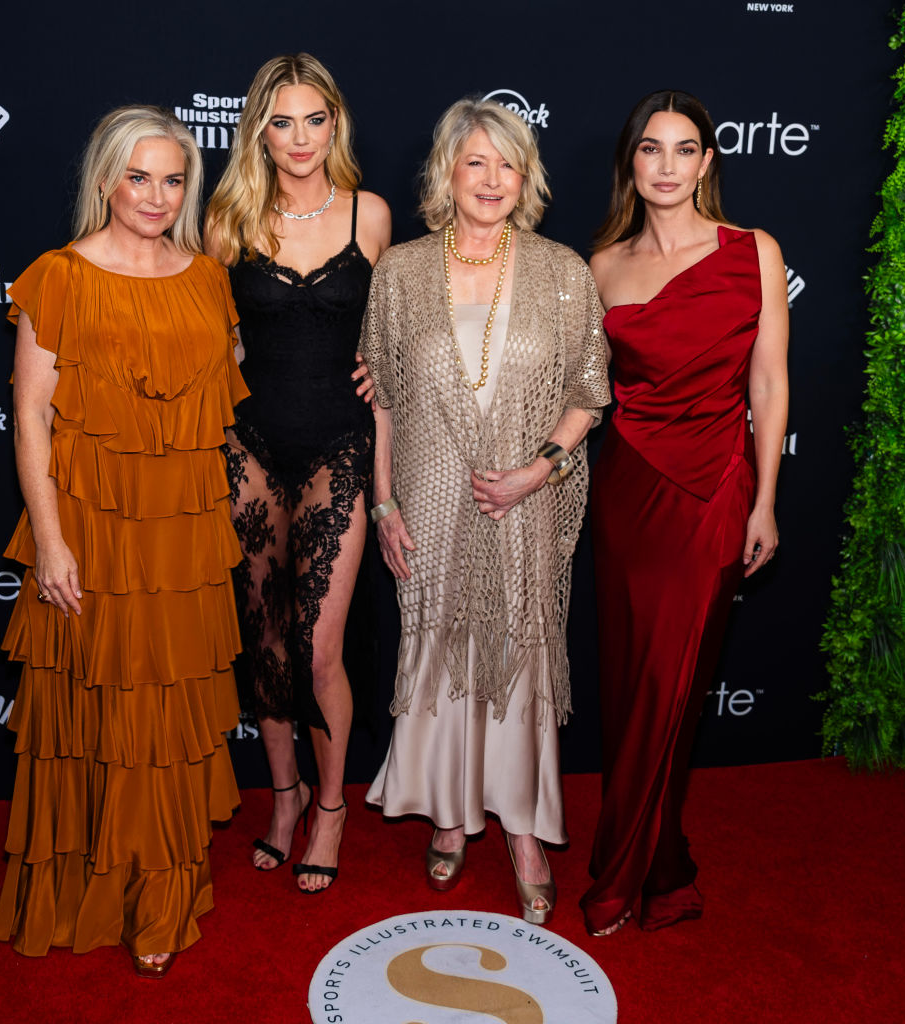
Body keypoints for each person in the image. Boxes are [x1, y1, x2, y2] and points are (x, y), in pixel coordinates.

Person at [0, 106, 249, 977]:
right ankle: (91, 885)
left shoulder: (207, 278)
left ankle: (161, 897)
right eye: (138, 177)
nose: (155, 195)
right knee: (97, 712)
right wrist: (52, 543)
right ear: (104, 180)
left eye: (173, 179)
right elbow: (29, 414)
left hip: (180, 534)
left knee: (166, 719)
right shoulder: (59, 275)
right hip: (91, 525)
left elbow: (219, 403)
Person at [360, 98, 610, 924]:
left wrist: (537, 471)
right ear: (447, 173)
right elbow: (384, 400)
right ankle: (450, 814)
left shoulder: (563, 270)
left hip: (524, 505)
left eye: (508, 164)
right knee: (435, 647)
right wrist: (385, 498)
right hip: (427, 499)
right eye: (476, 162)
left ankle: (525, 829)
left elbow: (588, 393)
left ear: (526, 176)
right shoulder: (398, 271)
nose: (493, 179)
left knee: (520, 649)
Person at [580, 90, 788, 936]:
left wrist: (766, 498)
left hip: (715, 487)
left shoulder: (753, 251)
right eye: (650, 150)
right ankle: (655, 856)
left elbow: (768, 384)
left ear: (708, 161)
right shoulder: (602, 266)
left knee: (676, 682)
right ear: (631, 163)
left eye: (684, 149)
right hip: (628, 489)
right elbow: (578, 389)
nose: (666, 166)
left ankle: (626, 872)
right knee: (634, 684)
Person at [204, 54, 390, 893]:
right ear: (259, 130)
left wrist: (391, 370)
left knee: (319, 650)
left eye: (314, 119)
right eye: (282, 121)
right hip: (250, 446)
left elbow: (400, 329)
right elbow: (208, 337)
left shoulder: (371, 215)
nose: (300, 138)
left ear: (335, 122)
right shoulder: (228, 218)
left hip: (337, 448)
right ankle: (282, 800)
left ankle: (331, 805)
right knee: (267, 645)